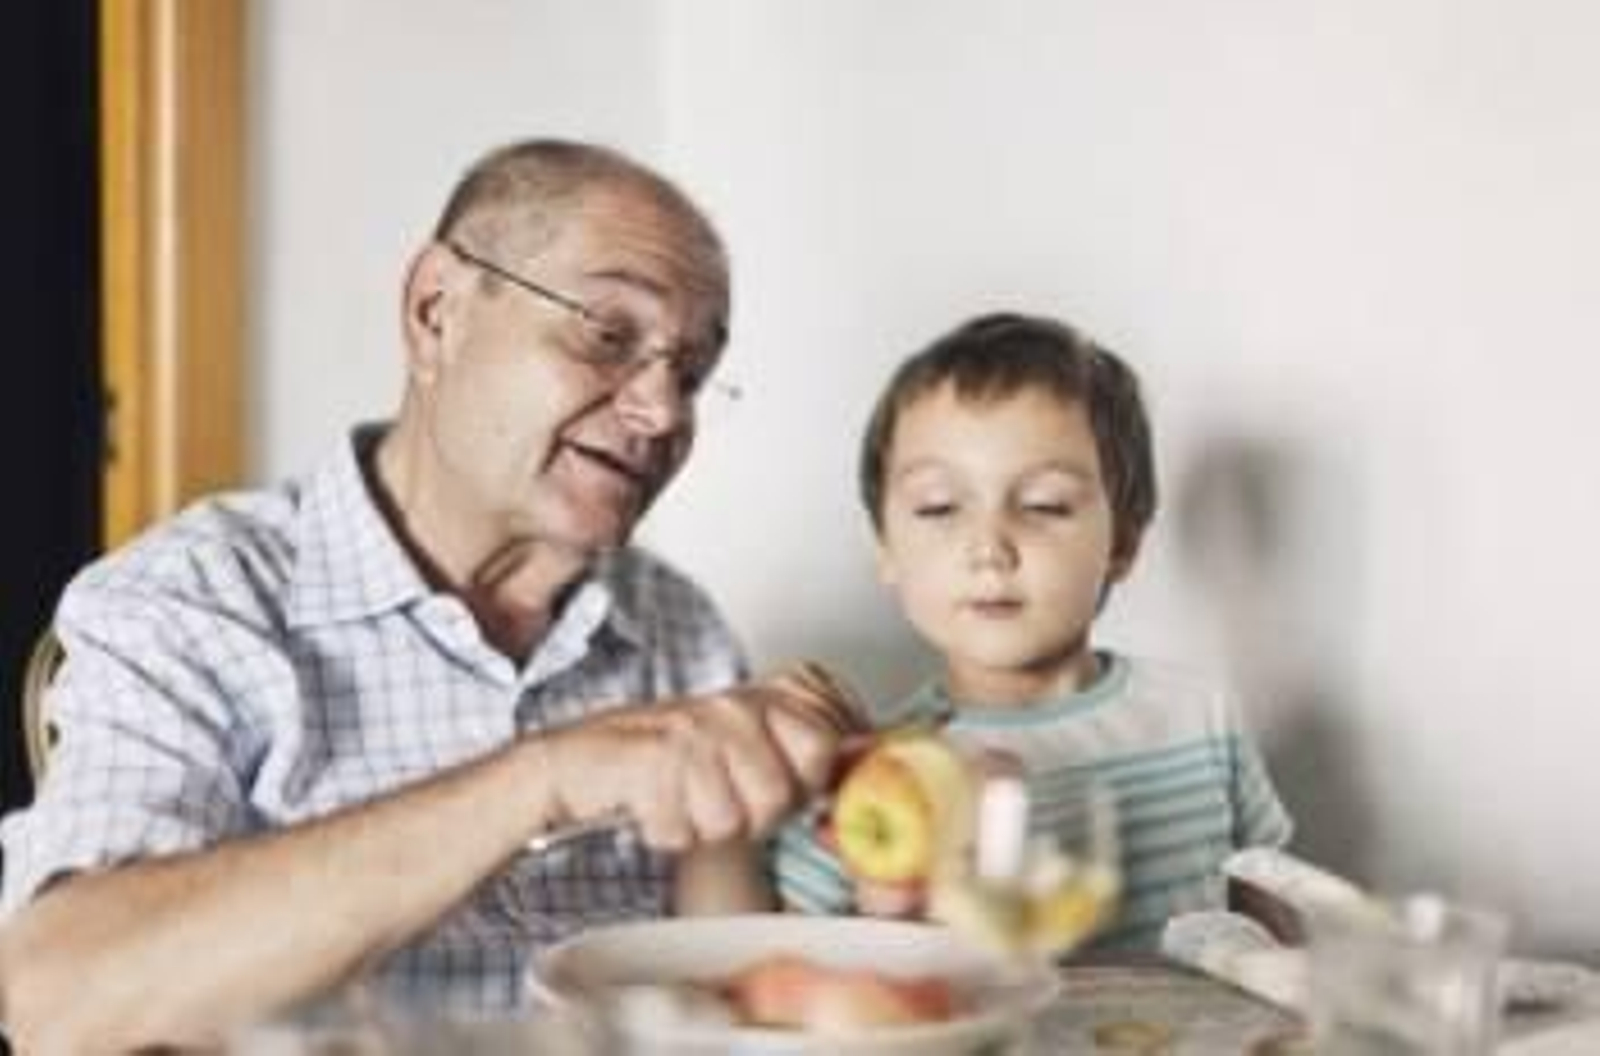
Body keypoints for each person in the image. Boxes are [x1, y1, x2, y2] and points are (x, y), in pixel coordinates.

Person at [0, 139, 859, 1051]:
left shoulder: (681, 629)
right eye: (608, 336)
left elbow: (723, 1002)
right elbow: (58, 996)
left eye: (688, 373)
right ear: (435, 312)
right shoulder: (193, 601)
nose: (664, 413)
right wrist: (547, 774)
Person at [770, 312, 1294, 952]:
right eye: (939, 507)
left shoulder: (1199, 713)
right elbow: (809, 976)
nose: (989, 547)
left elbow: (1266, 904)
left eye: (1045, 504)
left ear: (1123, 541)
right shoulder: (871, 772)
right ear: (886, 548)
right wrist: (895, 895)